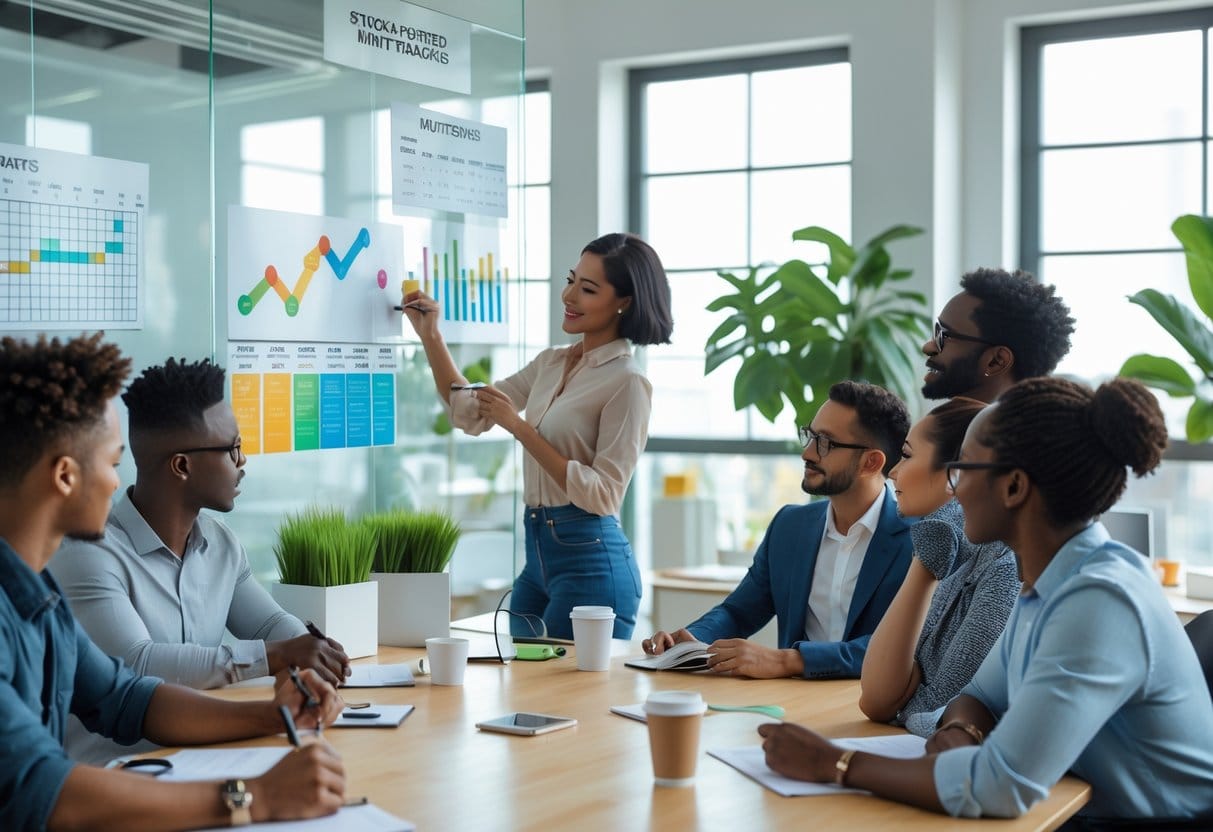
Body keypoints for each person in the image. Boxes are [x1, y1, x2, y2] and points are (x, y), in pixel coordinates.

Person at [758, 377, 1213, 824]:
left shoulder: (1099, 600)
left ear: (1013, 487)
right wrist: (962, 728)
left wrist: (833, 764)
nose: (954, 491)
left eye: (963, 470)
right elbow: (979, 693)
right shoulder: (1050, 581)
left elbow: (1000, 786)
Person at [0, 333, 347, 830]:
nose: (119, 481)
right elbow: (42, 789)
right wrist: (255, 797)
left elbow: (128, 698)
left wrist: (274, 715)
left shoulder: (39, 602)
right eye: (113, 462)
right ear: (64, 477)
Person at [50, 357, 350, 764]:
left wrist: (308, 663)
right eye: (233, 449)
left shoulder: (221, 545)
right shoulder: (88, 554)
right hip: (120, 779)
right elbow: (140, 664)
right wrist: (278, 656)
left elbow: (271, 625)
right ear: (182, 466)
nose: (242, 462)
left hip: (205, 760)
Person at [402, 232, 673, 640]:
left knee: (569, 702)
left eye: (587, 289)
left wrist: (519, 427)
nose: (569, 296)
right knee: (522, 690)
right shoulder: (551, 363)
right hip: (538, 560)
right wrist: (431, 336)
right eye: (570, 280)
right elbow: (470, 411)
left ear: (625, 301)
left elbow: (603, 494)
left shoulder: (628, 383)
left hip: (593, 565)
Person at [642, 381, 914, 679]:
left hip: (873, 709)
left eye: (826, 443)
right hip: (790, 704)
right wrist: (690, 641)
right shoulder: (790, 526)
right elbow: (739, 611)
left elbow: (900, 649)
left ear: (871, 462)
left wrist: (789, 661)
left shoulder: (919, 540)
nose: (807, 453)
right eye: (810, 436)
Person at [858, 397, 1019, 735]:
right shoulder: (951, 552)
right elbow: (877, 700)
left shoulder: (1005, 565)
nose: (893, 471)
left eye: (907, 454)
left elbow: (931, 712)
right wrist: (929, 552)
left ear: (957, 471)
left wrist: (906, 706)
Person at [923, 267, 1074, 403]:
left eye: (944, 336)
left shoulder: (936, 431)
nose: (928, 346)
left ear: (996, 361)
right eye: (936, 331)